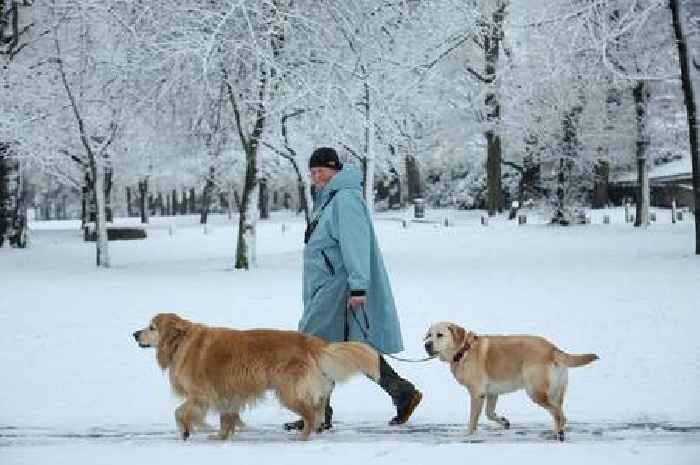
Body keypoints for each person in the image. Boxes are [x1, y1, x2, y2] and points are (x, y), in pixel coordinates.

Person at [285, 147, 422, 432]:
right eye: (312, 172)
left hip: (338, 285)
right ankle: (402, 393)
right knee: (346, 347)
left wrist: (358, 286)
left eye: (320, 171)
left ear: (334, 170)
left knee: (314, 346)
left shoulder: (345, 200)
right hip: (326, 285)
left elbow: (355, 244)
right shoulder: (329, 200)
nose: (315, 177)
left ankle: (317, 411)